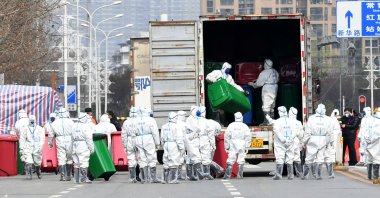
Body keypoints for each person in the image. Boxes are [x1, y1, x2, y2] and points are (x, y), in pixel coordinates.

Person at [302, 104, 332, 180]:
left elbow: (307, 132)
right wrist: (327, 142)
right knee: (320, 158)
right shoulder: (328, 119)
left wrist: (304, 142)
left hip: (313, 139)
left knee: (309, 158)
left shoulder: (312, 118)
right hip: (323, 139)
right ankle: (318, 175)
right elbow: (329, 133)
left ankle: (305, 175)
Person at [248, 59, 279, 125]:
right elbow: (277, 79)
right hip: (274, 88)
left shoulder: (265, 72)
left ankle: (266, 121)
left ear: (266, 64)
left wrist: (251, 84)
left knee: (266, 105)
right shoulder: (274, 71)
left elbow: (258, 84)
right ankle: (272, 120)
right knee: (272, 105)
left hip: (268, 89)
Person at [135, 107, 161, 183]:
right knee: (151, 157)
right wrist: (157, 143)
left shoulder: (136, 120)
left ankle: (144, 178)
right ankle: (153, 178)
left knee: (141, 158)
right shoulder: (151, 120)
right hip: (149, 139)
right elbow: (155, 132)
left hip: (139, 139)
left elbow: (133, 132)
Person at [49, 107, 75, 181]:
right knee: (69, 158)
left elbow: (51, 135)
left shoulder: (54, 123)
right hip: (69, 140)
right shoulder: (71, 122)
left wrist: (50, 144)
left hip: (59, 140)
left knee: (61, 157)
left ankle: (62, 175)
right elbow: (74, 132)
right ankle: (69, 174)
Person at [224, 112, 252, 179]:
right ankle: (240, 175)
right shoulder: (244, 126)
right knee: (241, 159)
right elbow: (248, 136)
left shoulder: (231, 125)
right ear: (242, 117)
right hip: (242, 143)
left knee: (230, 159)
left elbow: (227, 136)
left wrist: (227, 146)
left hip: (233, 143)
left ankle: (227, 175)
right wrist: (247, 146)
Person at [270, 107, 296, 180]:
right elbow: (295, 131)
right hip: (290, 142)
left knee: (279, 157)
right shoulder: (292, 121)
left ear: (280, 112)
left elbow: (277, 131)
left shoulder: (277, 122)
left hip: (280, 143)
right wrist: (290, 138)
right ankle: (290, 175)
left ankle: (278, 175)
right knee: (290, 158)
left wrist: (283, 139)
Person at [161, 112, 185, 184]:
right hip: (173, 144)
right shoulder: (177, 127)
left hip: (166, 144)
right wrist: (181, 147)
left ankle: (165, 179)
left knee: (166, 160)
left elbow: (162, 138)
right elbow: (179, 138)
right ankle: (173, 179)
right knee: (174, 160)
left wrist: (163, 145)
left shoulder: (164, 126)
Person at [19, 115, 45, 180]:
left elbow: (42, 139)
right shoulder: (25, 128)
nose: (32, 122)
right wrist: (22, 148)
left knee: (37, 162)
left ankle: (38, 172)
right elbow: (22, 139)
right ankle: (29, 174)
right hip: (28, 145)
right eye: (31, 121)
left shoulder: (39, 128)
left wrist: (40, 146)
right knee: (28, 161)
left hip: (37, 146)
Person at [185, 106, 207, 180]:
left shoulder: (194, 119)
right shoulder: (190, 119)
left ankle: (193, 175)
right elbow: (198, 128)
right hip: (191, 140)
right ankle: (199, 174)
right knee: (195, 157)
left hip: (193, 139)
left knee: (194, 157)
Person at [72, 113, 94, 183]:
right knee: (84, 161)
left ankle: (76, 178)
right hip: (83, 145)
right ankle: (84, 178)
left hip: (74, 144)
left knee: (76, 162)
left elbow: (71, 137)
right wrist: (91, 148)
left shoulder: (74, 126)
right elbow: (89, 139)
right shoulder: (86, 127)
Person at [121, 106, 139, 183]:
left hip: (129, 140)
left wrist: (125, 145)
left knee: (131, 158)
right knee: (141, 158)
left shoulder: (126, 122)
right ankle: (140, 176)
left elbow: (123, 135)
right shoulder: (140, 121)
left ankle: (132, 177)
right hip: (138, 140)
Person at [324, 109, 341, 179]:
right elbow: (337, 130)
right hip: (333, 138)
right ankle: (331, 170)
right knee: (331, 153)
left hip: (327, 138)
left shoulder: (328, 119)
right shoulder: (334, 120)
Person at [288, 107, 304, 178]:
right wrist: (301, 143)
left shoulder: (286, 121)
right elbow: (301, 134)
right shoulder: (298, 123)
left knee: (289, 157)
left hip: (288, 140)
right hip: (296, 140)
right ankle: (299, 173)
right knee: (297, 157)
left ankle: (290, 174)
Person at [176, 110, 187, 180]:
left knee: (175, 158)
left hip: (174, 144)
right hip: (181, 143)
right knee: (181, 158)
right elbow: (185, 136)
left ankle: (175, 174)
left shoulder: (175, 123)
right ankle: (178, 175)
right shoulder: (183, 124)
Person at [370, 111, 380, 183]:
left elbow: (373, 134)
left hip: (376, 143)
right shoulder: (375, 122)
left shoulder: (375, 122)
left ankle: (375, 178)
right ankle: (375, 177)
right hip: (376, 143)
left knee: (376, 159)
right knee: (376, 159)